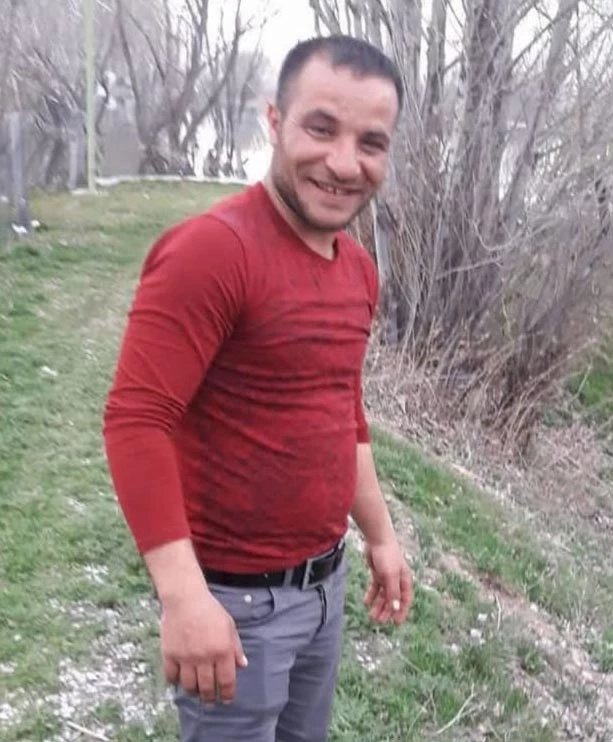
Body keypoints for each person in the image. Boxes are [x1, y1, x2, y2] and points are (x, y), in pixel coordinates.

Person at [103, 34, 413, 742]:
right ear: (274, 122)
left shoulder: (358, 270)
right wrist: (185, 597)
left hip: (325, 588)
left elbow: (344, 413)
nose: (344, 163)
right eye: (321, 128)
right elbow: (137, 420)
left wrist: (381, 537)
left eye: (371, 142)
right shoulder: (214, 250)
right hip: (235, 607)